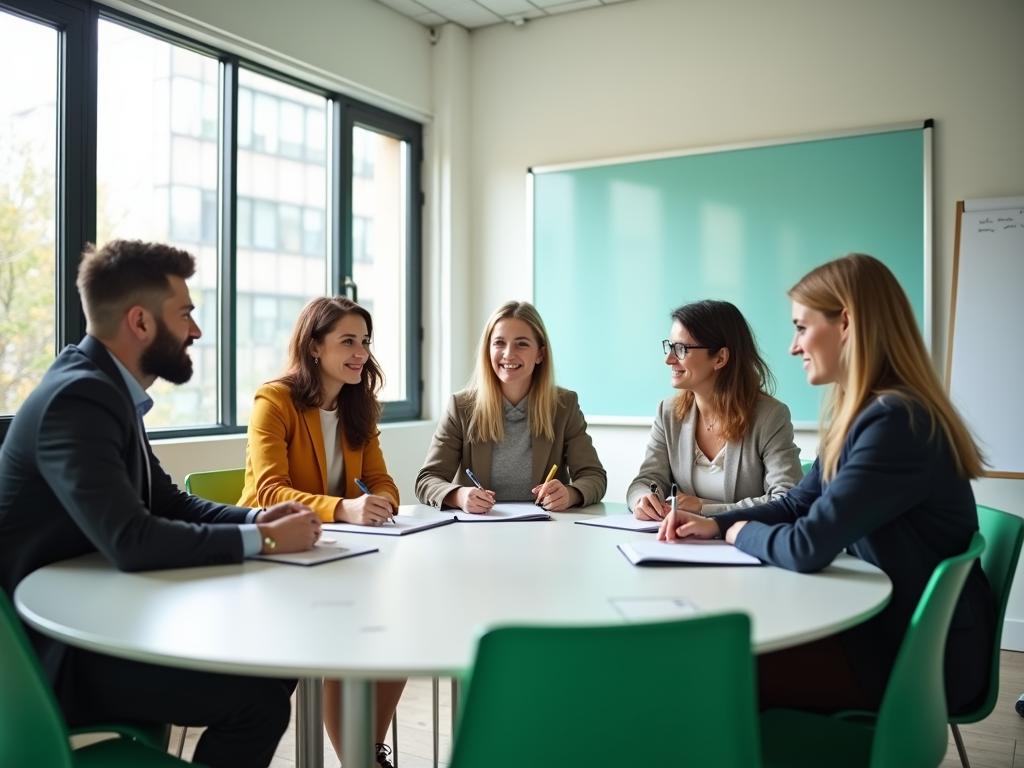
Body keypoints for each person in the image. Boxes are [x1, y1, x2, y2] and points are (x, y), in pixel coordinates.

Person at [0, 240, 322, 768]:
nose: (196, 330)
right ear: (140, 322)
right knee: (257, 703)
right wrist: (263, 540)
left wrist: (258, 518)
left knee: (274, 664)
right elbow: (131, 540)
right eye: (186, 314)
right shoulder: (79, 398)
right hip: (49, 652)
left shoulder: (104, 388)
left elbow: (168, 502)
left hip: (95, 611)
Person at [660, 254, 995, 714]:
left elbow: (807, 545)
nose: (793, 347)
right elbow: (799, 503)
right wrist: (716, 526)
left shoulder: (897, 422)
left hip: (915, 660)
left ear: (846, 323)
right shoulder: (867, 414)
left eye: (801, 327)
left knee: (712, 672)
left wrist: (738, 532)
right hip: (887, 627)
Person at [236, 295, 402, 768]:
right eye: (347, 341)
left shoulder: (358, 405)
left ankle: (364, 755)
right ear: (313, 347)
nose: (360, 353)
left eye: (365, 342)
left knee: (396, 628)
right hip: (275, 556)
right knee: (350, 637)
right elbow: (270, 492)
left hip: (336, 555)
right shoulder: (275, 400)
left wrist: (381, 501)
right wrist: (345, 509)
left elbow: (381, 479)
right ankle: (360, 759)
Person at [416, 300, 606, 512]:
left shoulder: (564, 406)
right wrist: (458, 496)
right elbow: (427, 480)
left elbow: (594, 476)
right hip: (479, 531)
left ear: (540, 354)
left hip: (547, 531)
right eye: (499, 343)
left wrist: (570, 494)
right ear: (488, 350)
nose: (508, 354)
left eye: (521, 343)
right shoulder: (461, 407)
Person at [628, 300, 802, 520]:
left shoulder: (769, 417)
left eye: (681, 349)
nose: (668, 359)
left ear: (720, 358)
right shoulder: (668, 412)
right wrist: (643, 499)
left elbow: (787, 498)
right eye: (670, 347)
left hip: (743, 544)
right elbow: (647, 480)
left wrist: (704, 508)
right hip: (680, 542)